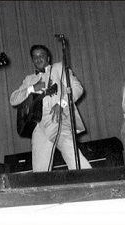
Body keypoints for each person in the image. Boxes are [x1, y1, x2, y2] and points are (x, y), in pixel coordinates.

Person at [10, 44, 92, 172]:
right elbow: (13, 99)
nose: (38, 59)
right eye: (35, 57)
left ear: (48, 57)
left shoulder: (59, 68)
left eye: (41, 55)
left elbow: (77, 88)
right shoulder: (29, 79)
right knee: (40, 169)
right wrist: (32, 88)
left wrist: (62, 104)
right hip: (38, 125)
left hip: (56, 118)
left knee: (70, 151)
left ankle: (91, 179)